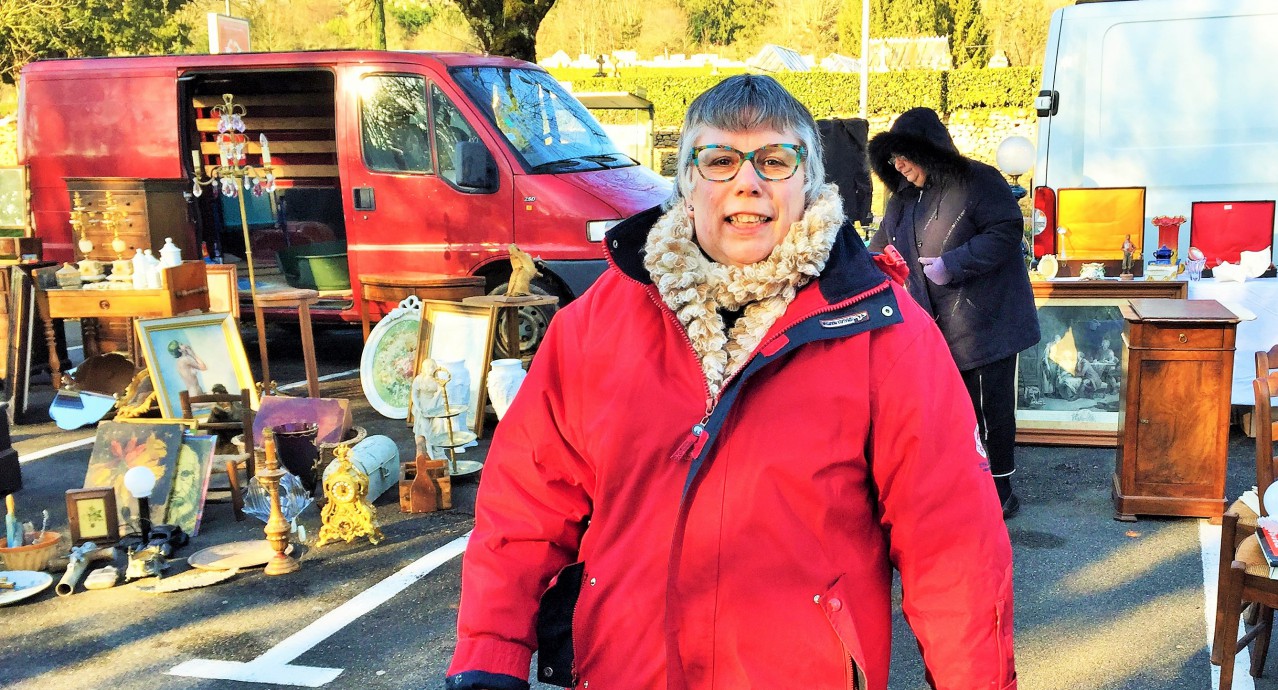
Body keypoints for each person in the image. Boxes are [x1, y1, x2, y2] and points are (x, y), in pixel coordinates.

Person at [446, 76, 1015, 690]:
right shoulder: (593, 328)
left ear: (811, 183)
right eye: (719, 161)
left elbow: (952, 546)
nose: (748, 181)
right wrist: (489, 652)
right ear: (686, 184)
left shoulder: (888, 337)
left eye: (775, 159)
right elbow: (525, 506)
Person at [868, 107, 1040, 519]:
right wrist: (867, 267)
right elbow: (881, 244)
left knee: (991, 408)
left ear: (926, 151)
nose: (899, 167)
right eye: (893, 161)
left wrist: (953, 264)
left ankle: (1001, 489)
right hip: (934, 326)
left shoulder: (980, 179)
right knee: (951, 411)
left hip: (986, 321)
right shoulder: (904, 197)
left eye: (904, 158)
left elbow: (1005, 230)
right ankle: (965, 481)